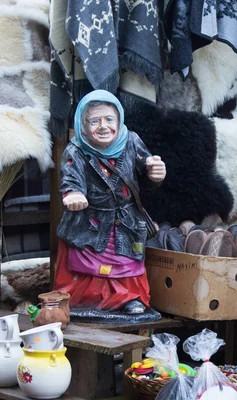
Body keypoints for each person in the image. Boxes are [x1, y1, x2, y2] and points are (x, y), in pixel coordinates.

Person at [54, 90, 166, 319]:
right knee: (86, 263)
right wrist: (73, 193)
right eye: (94, 121)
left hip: (125, 220)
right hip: (90, 221)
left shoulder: (132, 141)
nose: (103, 126)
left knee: (127, 262)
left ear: (119, 120)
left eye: (109, 120)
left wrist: (155, 174)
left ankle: (129, 299)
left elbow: (144, 172)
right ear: (83, 125)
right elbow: (70, 177)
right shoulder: (76, 150)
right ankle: (85, 300)